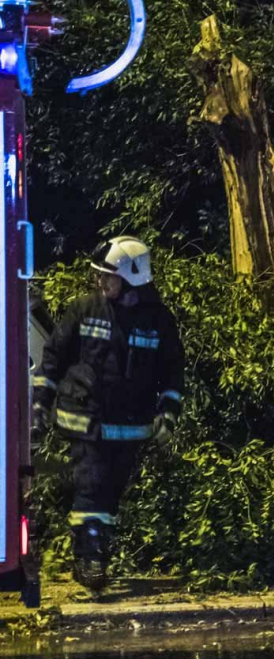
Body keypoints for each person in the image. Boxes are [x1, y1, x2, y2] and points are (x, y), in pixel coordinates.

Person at [31, 237, 184, 591]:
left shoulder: (157, 320)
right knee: (92, 486)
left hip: (130, 425)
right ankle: (90, 561)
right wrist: (41, 402)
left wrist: (169, 410)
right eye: (99, 276)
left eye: (108, 277)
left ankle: (91, 553)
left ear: (132, 277)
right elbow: (54, 356)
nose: (101, 283)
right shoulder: (85, 309)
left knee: (109, 495)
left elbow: (172, 370)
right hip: (85, 418)